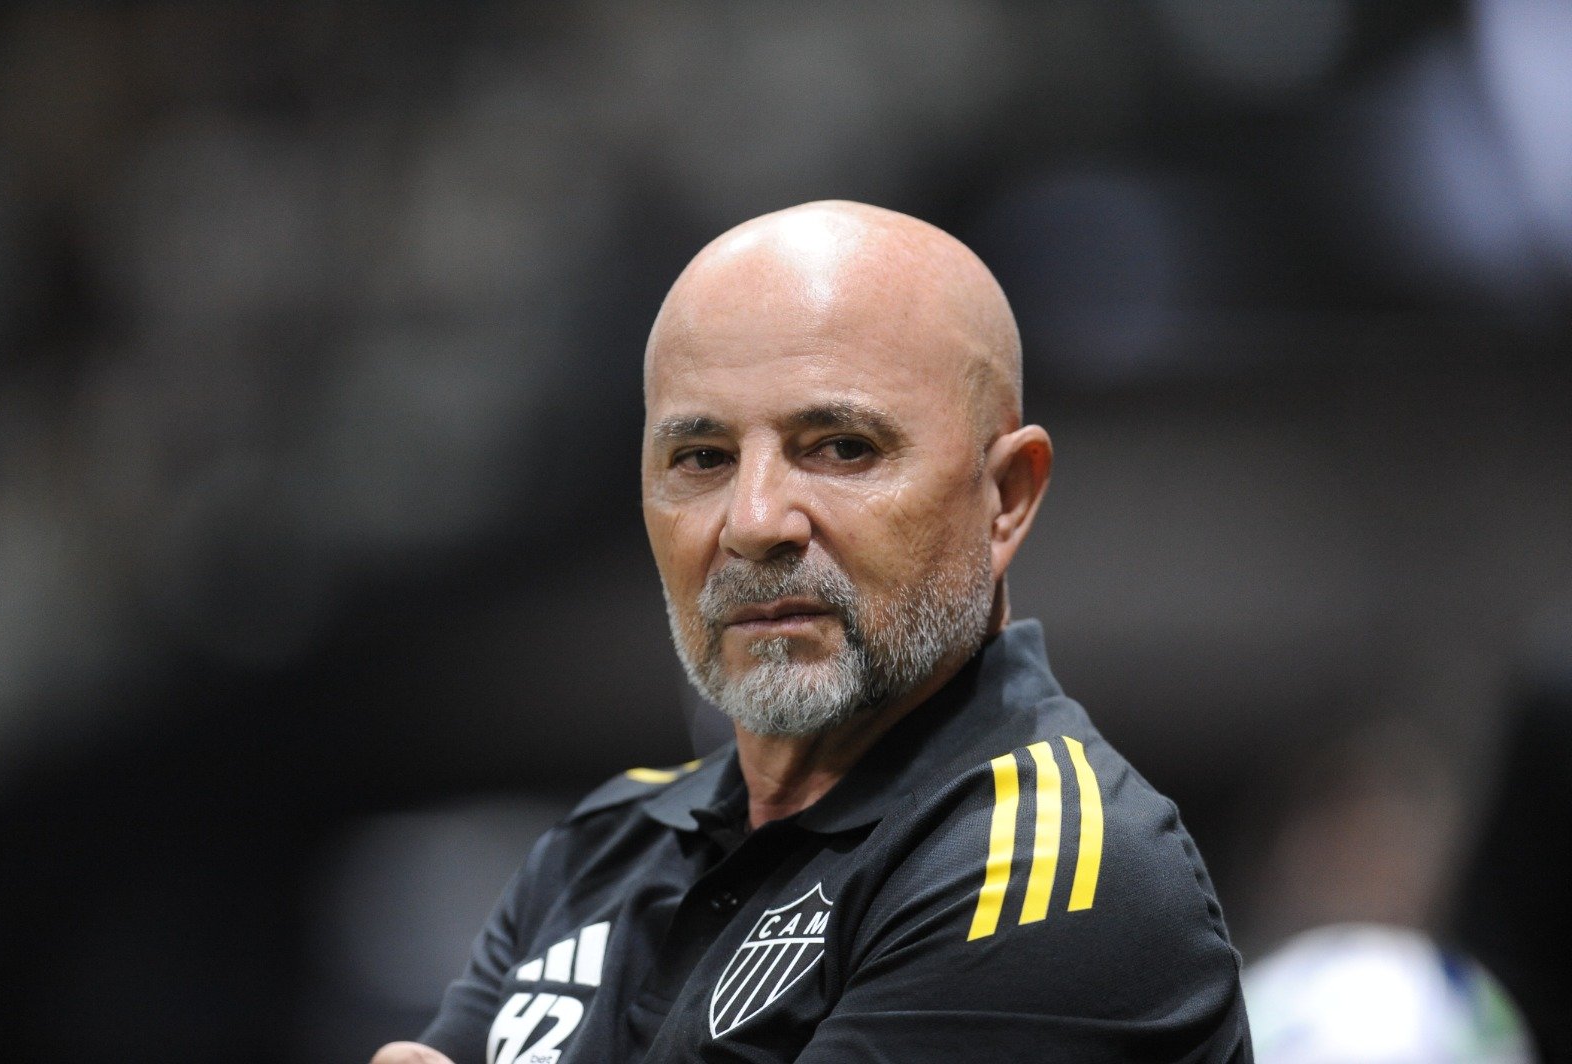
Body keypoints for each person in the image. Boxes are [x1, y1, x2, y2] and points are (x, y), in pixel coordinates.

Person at [372, 201, 1251, 1063]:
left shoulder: (1051, 874)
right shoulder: (601, 846)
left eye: (840, 447)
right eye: (702, 459)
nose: (754, 522)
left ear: (1007, 496)